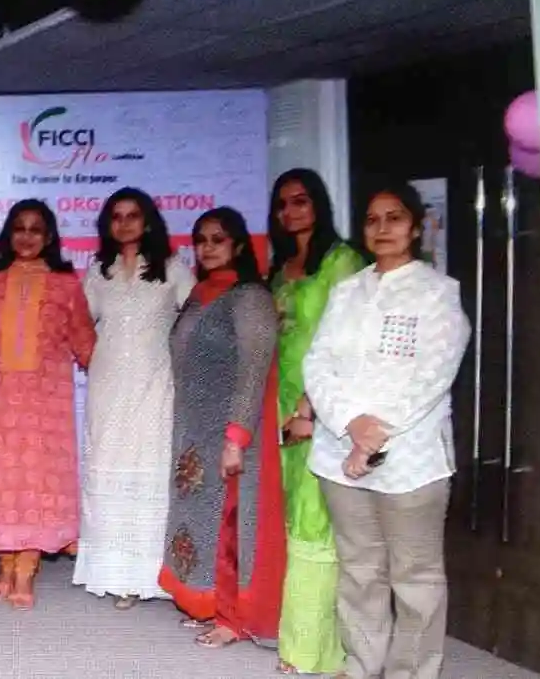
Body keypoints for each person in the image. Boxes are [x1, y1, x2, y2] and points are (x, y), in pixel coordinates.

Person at [305, 182, 470, 679]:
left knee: (415, 578)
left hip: (411, 457)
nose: (382, 228)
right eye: (372, 219)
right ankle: (362, 664)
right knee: (359, 570)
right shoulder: (347, 291)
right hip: (339, 451)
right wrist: (350, 423)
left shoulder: (438, 293)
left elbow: (433, 375)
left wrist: (373, 435)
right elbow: (318, 363)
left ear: (416, 227)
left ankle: (412, 672)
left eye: (394, 217)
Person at [158, 207, 285, 649]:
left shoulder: (249, 297)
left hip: (232, 431)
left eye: (218, 239)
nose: (207, 248)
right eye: (201, 240)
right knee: (201, 520)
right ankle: (211, 605)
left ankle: (234, 618)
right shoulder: (200, 295)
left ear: (238, 245)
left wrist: (237, 437)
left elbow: (253, 370)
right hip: (194, 429)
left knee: (231, 522)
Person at [0, 199, 95, 610]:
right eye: (19, 228)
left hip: (46, 403)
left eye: (35, 229)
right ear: (8, 233)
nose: (26, 236)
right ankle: (5, 563)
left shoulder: (64, 282)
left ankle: (26, 569)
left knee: (37, 485)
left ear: (49, 236)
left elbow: (84, 341)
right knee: (0, 482)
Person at [74, 187, 195, 609]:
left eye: (133, 215)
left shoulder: (172, 269)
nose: (124, 224)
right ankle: (117, 577)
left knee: (150, 473)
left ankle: (151, 575)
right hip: (107, 387)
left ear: (148, 221)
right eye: (117, 216)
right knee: (109, 472)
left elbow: (199, 319)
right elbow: (78, 323)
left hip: (155, 386)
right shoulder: (98, 271)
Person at [267, 169, 365, 675]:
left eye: (300, 201)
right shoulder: (280, 268)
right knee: (292, 520)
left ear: (318, 204)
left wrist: (312, 409)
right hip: (280, 405)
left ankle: (307, 652)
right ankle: (320, 647)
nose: (291, 211)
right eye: (283, 204)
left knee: (315, 522)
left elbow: (351, 342)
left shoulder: (342, 262)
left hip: (323, 405)